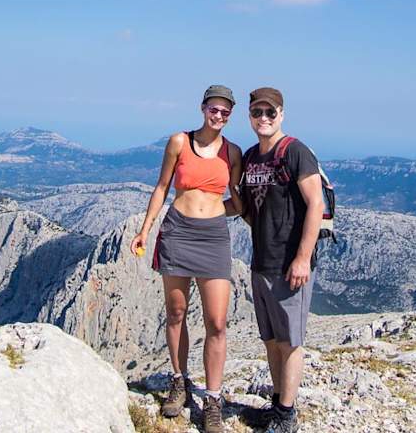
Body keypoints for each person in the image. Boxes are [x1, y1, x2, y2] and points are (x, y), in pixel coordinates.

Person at [130, 84, 243, 433]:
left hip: (212, 238)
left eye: (225, 111)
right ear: (203, 108)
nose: (219, 115)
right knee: (176, 312)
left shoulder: (233, 152)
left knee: (217, 322)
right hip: (177, 232)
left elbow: (237, 201)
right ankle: (179, 381)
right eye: (214, 109)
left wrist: (211, 211)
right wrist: (146, 230)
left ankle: (212, 399)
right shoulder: (179, 141)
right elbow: (162, 187)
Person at [239, 87, 324, 433]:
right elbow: (248, 208)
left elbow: (316, 205)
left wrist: (302, 258)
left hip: (290, 265)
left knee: (290, 342)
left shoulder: (296, 152)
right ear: (250, 116)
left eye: (270, 113)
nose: (263, 119)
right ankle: (276, 405)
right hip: (261, 262)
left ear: (281, 115)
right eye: (257, 112)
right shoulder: (250, 157)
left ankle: (287, 414)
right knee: (272, 340)